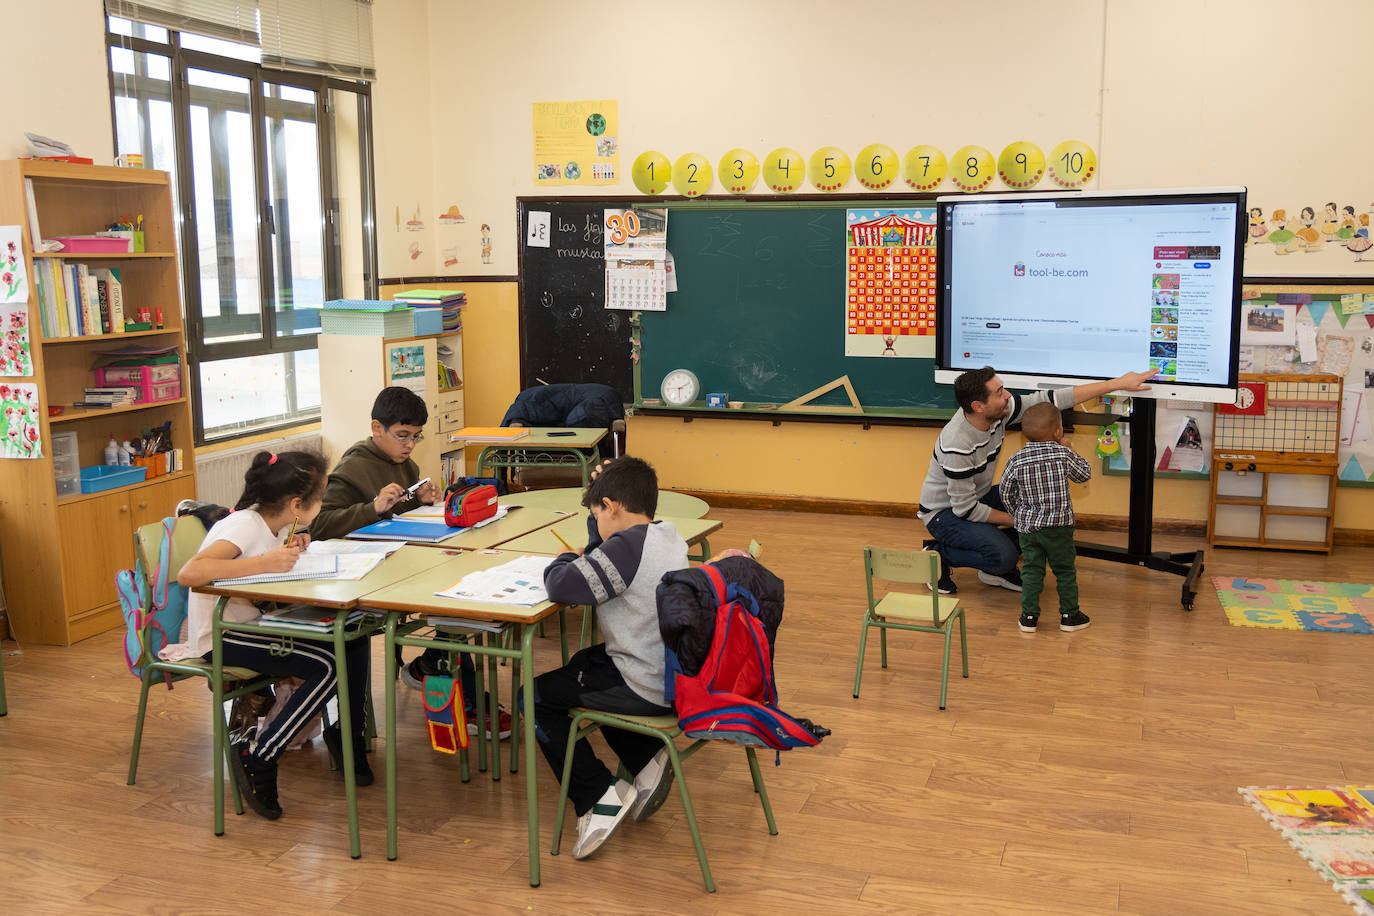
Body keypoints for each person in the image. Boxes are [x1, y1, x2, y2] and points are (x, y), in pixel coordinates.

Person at [167, 450, 372, 819]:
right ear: (297, 504)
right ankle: (262, 755)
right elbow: (190, 574)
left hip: (254, 627)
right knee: (327, 665)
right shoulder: (245, 525)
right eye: (319, 499)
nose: (322, 504)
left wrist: (289, 548)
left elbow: (259, 572)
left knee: (352, 636)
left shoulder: (275, 526)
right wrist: (264, 562)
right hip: (223, 637)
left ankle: (350, 740)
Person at [308, 386, 510, 740]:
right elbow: (320, 525)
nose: (409, 445)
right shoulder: (352, 467)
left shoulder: (407, 465)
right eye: (402, 436)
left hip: (402, 560)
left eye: (416, 437)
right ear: (376, 428)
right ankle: (455, 684)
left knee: (458, 595)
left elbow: (396, 518)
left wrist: (420, 502)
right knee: (452, 604)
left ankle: (436, 665)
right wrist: (373, 507)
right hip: (366, 575)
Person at [529, 456, 689, 860]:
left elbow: (563, 586)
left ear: (613, 506)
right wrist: (594, 535)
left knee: (533, 698)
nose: (595, 518)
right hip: (668, 672)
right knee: (585, 664)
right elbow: (604, 549)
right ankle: (646, 760)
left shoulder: (624, 548)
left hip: (642, 682)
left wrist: (568, 559)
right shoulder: (664, 534)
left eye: (597, 509)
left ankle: (597, 796)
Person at [918, 366, 1156, 595]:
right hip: (945, 513)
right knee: (1005, 555)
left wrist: (1119, 383)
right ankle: (937, 555)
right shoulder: (956, 445)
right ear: (978, 406)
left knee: (1038, 500)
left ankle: (994, 570)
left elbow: (1054, 399)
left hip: (976, 498)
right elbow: (965, 509)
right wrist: (1021, 521)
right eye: (1000, 393)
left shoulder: (998, 413)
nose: (1008, 396)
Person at [998, 402, 1092, 633]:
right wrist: (1070, 449)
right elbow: (1084, 474)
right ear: (1058, 432)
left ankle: (1029, 617)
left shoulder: (1016, 459)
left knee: (1032, 570)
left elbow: (1004, 491)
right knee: (1065, 570)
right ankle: (1070, 616)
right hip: (1059, 527)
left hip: (1029, 529)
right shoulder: (1062, 454)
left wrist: (1018, 513)